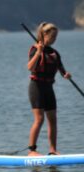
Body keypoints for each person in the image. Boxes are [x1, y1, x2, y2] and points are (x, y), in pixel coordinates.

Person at [27, 22, 72, 156]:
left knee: (52, 119)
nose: (54, 40)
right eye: (52, 37)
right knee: (39, 119)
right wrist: (39, 52)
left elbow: (62, 70)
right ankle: (32, 151)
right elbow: (30, 67)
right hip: (37, 88)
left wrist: (66, 75)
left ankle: (52, 150)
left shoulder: (54, 53)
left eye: (56, 37)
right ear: (44, 35)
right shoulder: (35, 49)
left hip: (48, 88)